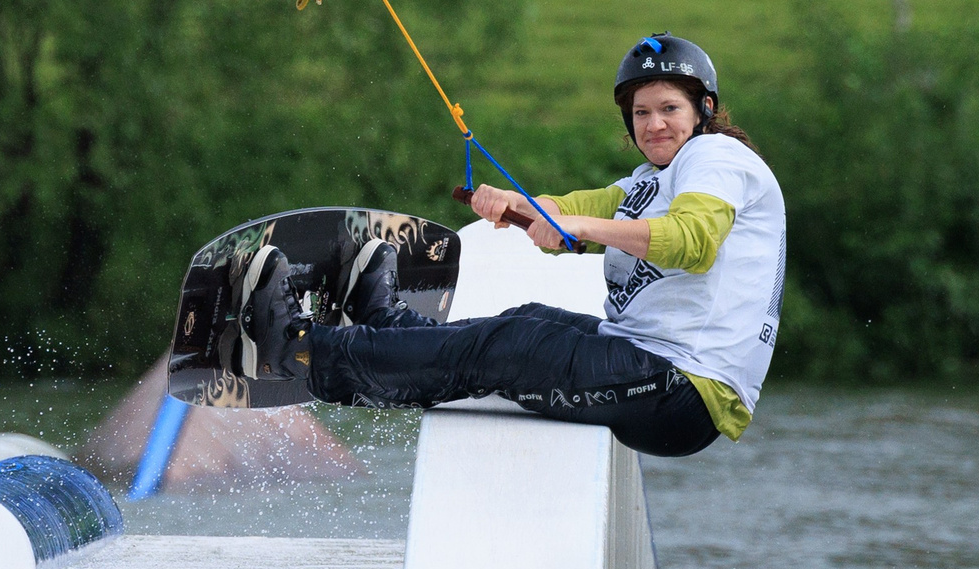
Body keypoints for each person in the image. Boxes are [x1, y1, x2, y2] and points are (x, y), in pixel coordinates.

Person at [241, 33, 786, 458]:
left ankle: (302, 352)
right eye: (641, 113)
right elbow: (575, 207)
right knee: (524, 320)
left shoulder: (717, 158)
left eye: (669, 109)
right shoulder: (654, 179)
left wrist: (578, 226)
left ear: (703, 108)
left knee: (511, 346)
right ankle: (387, 329)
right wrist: (517, 204)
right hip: (654, 366)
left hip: (683, 393)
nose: (654, 124)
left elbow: (692, 242)